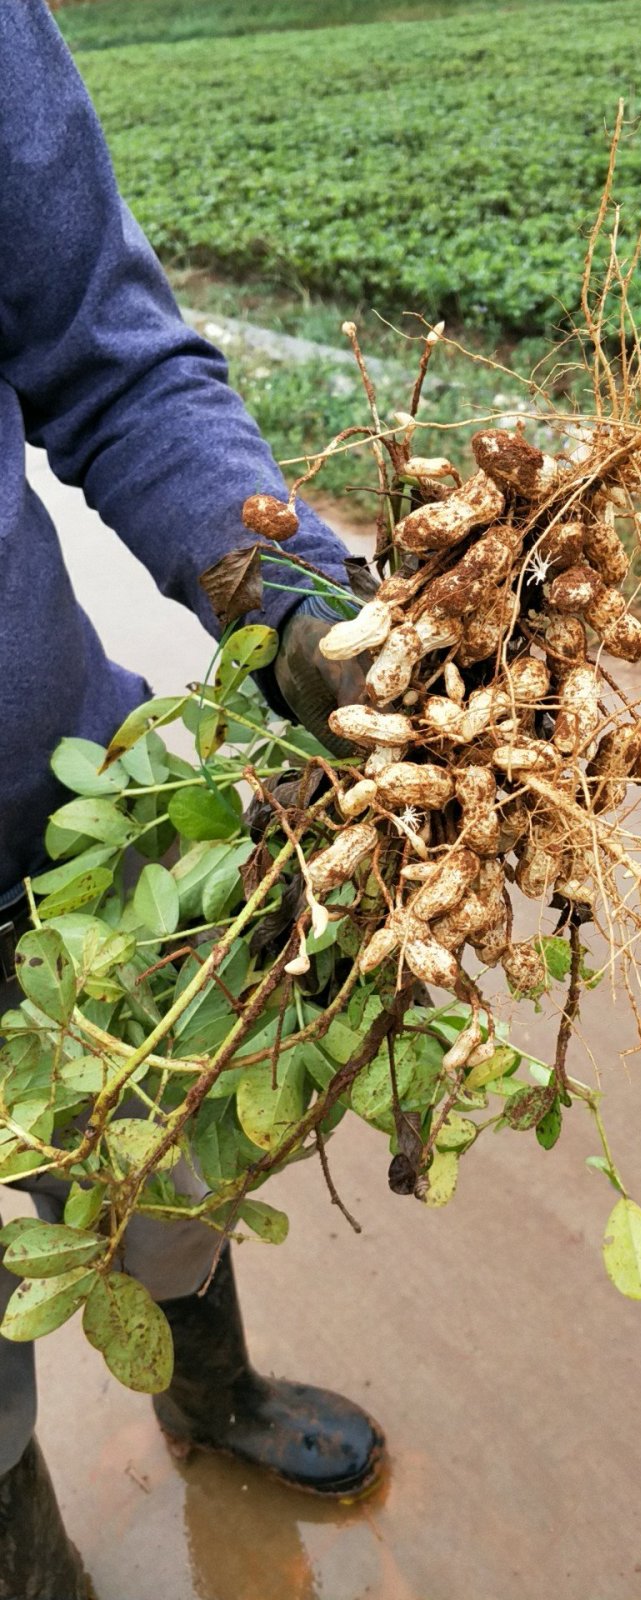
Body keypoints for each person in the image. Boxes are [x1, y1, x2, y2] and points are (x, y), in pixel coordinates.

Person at [0, 4, 384, 1595]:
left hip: (76, 827)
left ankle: (205, 1386)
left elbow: (107, 351)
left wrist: (296, 605)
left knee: (177, 1160)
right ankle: (22, 1538)